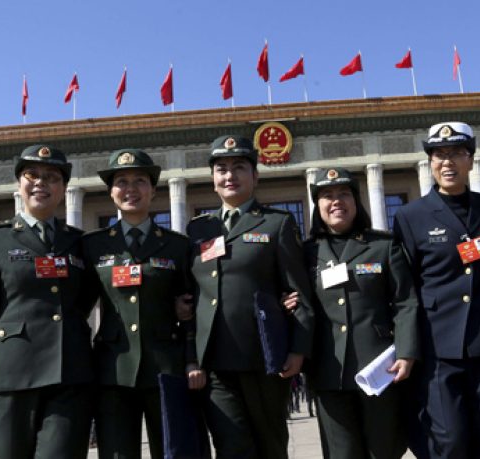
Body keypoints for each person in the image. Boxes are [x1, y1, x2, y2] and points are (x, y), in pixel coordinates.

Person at [0, 145, 97, 459]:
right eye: (31, 175)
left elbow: (84, 299)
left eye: (51, 178)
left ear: (63, 189)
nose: (40, 183)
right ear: (19, 184)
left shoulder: (77, 241)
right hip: (11, 374)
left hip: (68, 373)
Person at [186, 134, 314, 458]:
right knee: (231, 446)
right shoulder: (199, 230)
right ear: (213, 180)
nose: (230, 176)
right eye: (222, 169)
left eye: (239, 167)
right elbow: (191, 291)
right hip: (215, 362)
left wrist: (298, 350)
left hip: (263, 358)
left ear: (255, 176)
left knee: (270, 444)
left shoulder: (276, 224)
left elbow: (298, 291)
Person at [82, 149, 206, 458]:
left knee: (172, 450)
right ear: (111, 193)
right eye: (121, 182)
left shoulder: (177, 245)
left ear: (153, 190)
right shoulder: (92, 245)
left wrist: (191, 359)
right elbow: (76, 306)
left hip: (165, 365)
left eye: (140, 181)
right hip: (113, 371)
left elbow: (191, 306)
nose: (131, 189)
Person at [392, 122, 480, 458]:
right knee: (450, 440)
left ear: (471, 160)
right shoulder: (411, 215)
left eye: (456, 153)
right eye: (439, 155)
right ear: (430, 163)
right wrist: (407, 346)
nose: (447, 162)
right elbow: (404, 287)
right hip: (437, 344)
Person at [300, 167, 419, 459]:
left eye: (344, 194)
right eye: (328, 196)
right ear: (318, 206)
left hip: (378, 367)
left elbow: (406, 301)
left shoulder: (382, 246)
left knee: (385, 449)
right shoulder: (306, 253)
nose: (336, 201)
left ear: (356, 202)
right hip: (329, 369)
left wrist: (407, 352)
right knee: (342, 453)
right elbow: (298, 300)